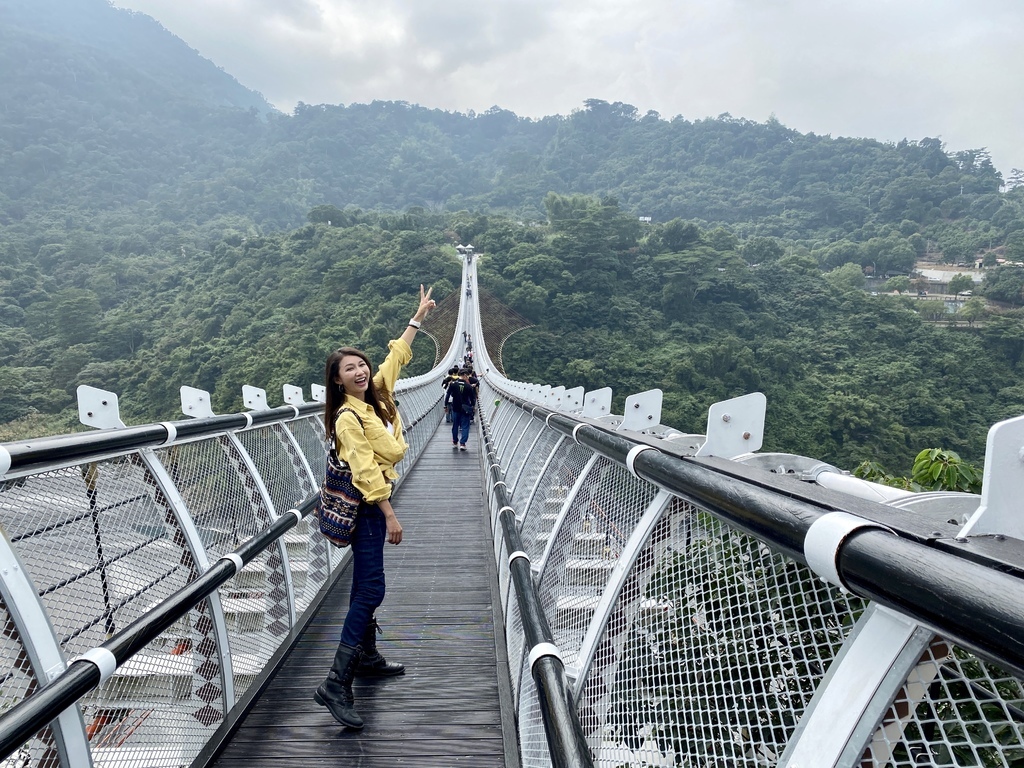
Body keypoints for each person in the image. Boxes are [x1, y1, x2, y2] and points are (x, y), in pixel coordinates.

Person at [315, 284, 435, 730]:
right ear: (337, 380)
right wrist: (390, 514)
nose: (361, 371)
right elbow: (365, 472)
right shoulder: (348, 418)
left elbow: (396, 357)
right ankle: (335, 682)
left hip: (375, 501)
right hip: (368, 507)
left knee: (364, 585)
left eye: (361, 364)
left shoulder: (378, 394)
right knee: (371, 589)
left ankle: (364, 657)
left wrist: (417, 316)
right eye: (350, 369)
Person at [445, 367, 476, 451]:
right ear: (465, 375)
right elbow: (472, 398)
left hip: (455, 407)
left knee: (455, 425)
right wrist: (473, 406)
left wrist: (445, 406)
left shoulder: (453, 384)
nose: (468, 377)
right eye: (467, 376)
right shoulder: (468, 386)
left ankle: (455, 442)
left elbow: (448, 395)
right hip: (466, 408)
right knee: (465, 426)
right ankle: (462, 443)